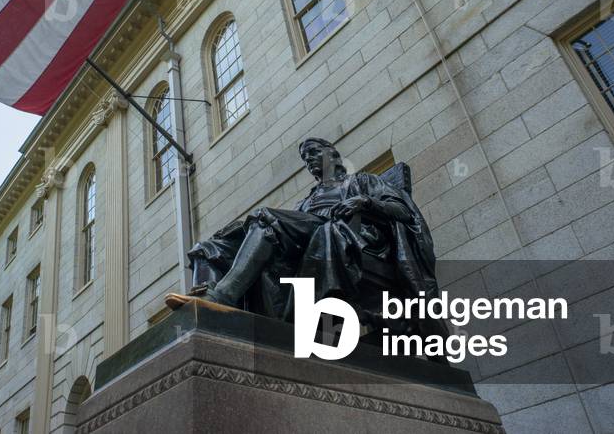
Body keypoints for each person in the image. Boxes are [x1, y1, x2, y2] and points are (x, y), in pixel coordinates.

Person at [169, 138, 444, 334]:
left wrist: (365, 203)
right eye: (306, 157)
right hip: (311, 240)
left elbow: (403, 211)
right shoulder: (306, 202)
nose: (309, 160)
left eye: (314, 152)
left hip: (351, 238)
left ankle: (222, 298)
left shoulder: (361, 182)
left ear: (334, 155)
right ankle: (201, 308)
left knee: (266, 219)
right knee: (211, 245)